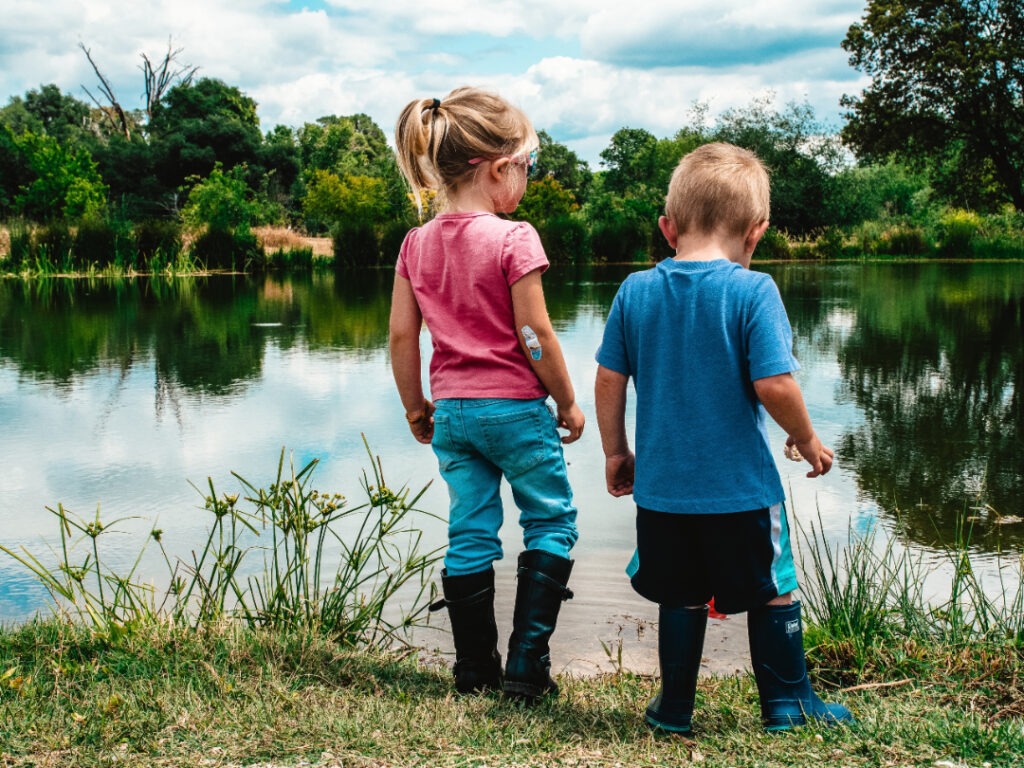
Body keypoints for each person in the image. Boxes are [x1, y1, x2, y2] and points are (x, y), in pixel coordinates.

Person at [594, 142, 853, 732]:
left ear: (668, 228)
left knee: (679, 595)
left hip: (662, 493)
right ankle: (787, 704)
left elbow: (609, 379)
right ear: (756, 232)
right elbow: (775, 383)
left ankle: (674, 709)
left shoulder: (634, 291)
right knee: (773, 588)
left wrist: (616, 451)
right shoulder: (752, 290)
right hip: (740, 491)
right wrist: (807, 439)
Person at [389, 86, 584, 702]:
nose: (526, 179)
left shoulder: (415, 244)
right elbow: (534, 332)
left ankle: (474, 670)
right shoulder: (513, 237)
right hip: (516, 412)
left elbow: (401, 334)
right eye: (526, 166)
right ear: (499, 169)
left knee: (470, 531)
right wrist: (569, 400)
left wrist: (415, 407)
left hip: (453, 414)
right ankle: (527, 670)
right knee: (550, 521)